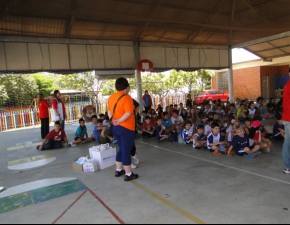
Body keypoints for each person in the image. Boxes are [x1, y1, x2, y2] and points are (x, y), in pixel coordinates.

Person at [108, 77, 138, 181]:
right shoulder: (127, 98)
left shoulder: (111, 97)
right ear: (127, 87)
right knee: (126, 151)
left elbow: (109, 111)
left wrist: (113, 120)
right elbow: (128, 113)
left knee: (121, 149)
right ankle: (128, 174)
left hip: (115, 128)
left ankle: (118, 170)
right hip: (126, 128)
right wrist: (120, 121)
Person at [282, 76, 290, 174]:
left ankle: (287, 166)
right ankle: (287, 166)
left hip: (287, 118)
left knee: (287, 142)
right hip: (289, 118)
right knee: (288, 142)